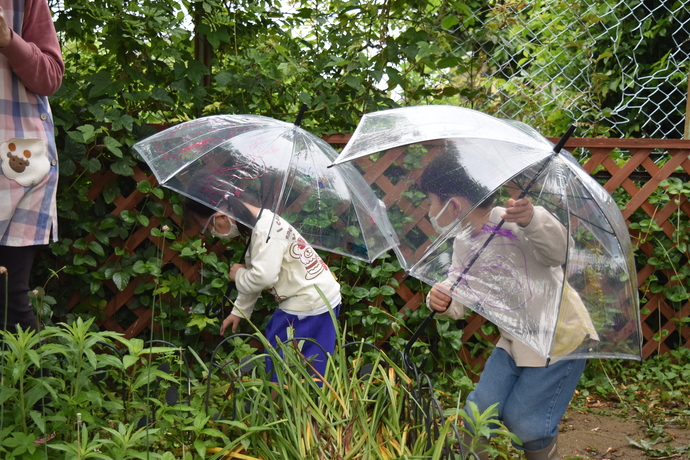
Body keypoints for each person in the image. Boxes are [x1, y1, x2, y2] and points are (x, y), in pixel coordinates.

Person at [418, 150, 594, 460]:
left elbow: (560, 252)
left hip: (559, 338)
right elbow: (460, 294)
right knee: (477, 413)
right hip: (515, 340)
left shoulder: (517, 221)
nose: (428, 211)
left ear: (453, 205)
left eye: (431, 202)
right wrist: (442, 298)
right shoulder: (463, 243)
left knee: (527, 424)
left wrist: (533, 220)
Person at [182, 194, 342, 385]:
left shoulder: (265, 231)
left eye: (209, 229)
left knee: (281, 364)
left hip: (305, 306)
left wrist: (238, 275)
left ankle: (280, 408)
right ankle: (310, 408)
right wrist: (240, 310)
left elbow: (263, 277)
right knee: (314, 363)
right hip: (324, 297)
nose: (213, 234)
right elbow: (258, 271)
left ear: (221, 216)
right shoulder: (263, 224)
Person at [0, 0, 64, 334]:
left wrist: (8, 40)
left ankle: (28, 387)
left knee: (9, 299)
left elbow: (51, 77)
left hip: (15, 170)